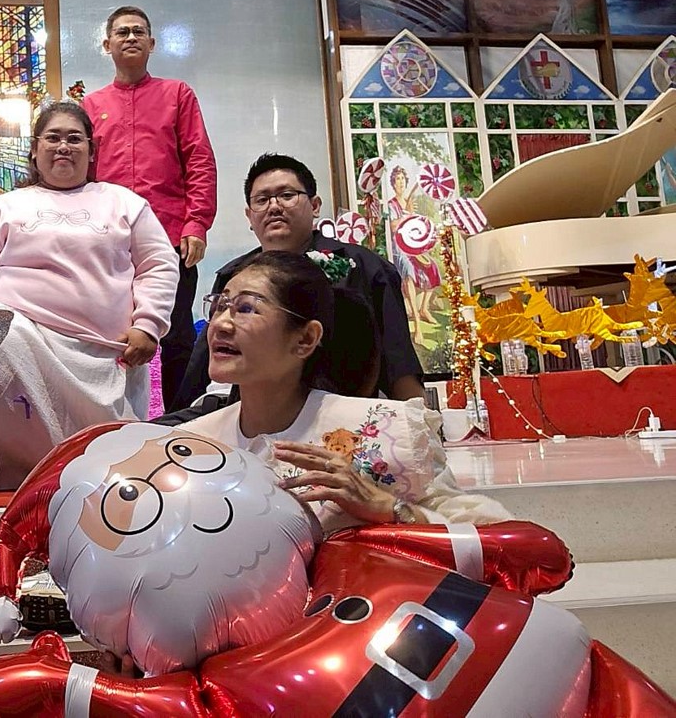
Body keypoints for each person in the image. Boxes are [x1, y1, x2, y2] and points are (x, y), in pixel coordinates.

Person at [0, 100, 179, 492]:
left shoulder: (125, 203)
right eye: (53, 138)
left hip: (101, 359)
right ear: (34, 149)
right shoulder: (6, 207)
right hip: (17, 344)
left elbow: (159, 264)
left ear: (92, 151)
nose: (64, 147)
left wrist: (148, 325)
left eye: (75, 139)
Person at [182, 249, 509, 535]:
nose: (221, 323)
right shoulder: (189, 444)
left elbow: (493, 535)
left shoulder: (387, 432)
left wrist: (390, 508)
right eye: (220, 305)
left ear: (305, 339)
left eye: (246, 308)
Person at [173, 152, 424, 415]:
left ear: (315, 205)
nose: (274, 207)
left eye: (286, 195)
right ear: (249, 216)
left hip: (335, 413)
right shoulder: (233, 276)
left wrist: (415, 421)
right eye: (262, 200)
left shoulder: (364, 267)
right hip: (236, 410)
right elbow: (202, 369)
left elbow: (398, 360)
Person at [82, 6, 217, 409]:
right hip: (109, 241)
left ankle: (180, 419)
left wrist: (196, 223)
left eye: (138, 31)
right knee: (109, 331)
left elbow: (199, 159)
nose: (130, 37)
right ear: (107, 44)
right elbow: (84, 175)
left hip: (171, 239)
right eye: (122, 32)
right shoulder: (91, 105)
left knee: (176, 334)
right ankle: (110, 417)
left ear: (152, 43)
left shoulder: (177, 94)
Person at [387, 163, 442, 343]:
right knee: (409, 274)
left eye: (403, 179)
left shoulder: (409, 202)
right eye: (397, 179)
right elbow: (393, 227)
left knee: (432, 267)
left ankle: (424, 308)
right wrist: (405, 215)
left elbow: (415, 225)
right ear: (393, 183)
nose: (400, 182)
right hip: (399, 247)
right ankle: (417, 325)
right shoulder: (392, 204)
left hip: (413, 245)